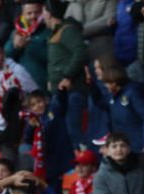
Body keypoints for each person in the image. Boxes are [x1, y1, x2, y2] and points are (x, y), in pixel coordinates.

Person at [43, 0, 89, 149]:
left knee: (73, 129)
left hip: (72, 90)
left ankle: (84, 162)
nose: (42, 15)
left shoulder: (67, 30)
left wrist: (68, 76)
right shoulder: (56, 32)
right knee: (64, 131)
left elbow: (81, 51)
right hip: (61, 92)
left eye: (44, 11)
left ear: (49, 13)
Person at [91, 65, 144, 153]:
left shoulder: (133, 94)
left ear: (114, 82)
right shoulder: (113, 97)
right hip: (122, 145)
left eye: (106, 83)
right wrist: (91, 87)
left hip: (137, 144)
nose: (105, 86)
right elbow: (102, 103)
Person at [4, 0, 50, 92]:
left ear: (43, 12)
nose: (33, 16)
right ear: (23, 15)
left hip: (41, 85)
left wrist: (29, 45)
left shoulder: (48, 31)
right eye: (29, 13)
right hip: (20, 86)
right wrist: (15, 46)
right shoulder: (16, 32)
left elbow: (50, 57)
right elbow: (6, 54)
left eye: (36, 12)